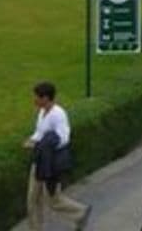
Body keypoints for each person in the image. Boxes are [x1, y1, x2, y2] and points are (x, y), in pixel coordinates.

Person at [24, 81, 92, 231]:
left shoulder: (58, 114)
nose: (34, 100)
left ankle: (80, 212)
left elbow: (63, 138)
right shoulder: (42, 112)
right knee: (32, 200)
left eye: (37, 97)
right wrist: (33, 139)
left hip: (51, 164)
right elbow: (40, 132)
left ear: (46, 98)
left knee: (53, 200)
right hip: (39, 160)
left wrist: (39, 144)